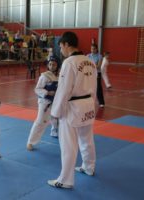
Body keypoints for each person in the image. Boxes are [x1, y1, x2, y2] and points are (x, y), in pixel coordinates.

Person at [48, 32, 97, 189]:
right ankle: (89, 167)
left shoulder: (69, 63)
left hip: (73, 107)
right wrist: (93, 104)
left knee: (68, 144)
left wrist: (55, 112)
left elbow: (63, 89)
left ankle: (66, 180)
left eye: (61, 46)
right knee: (87, 139)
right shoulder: (90, 61)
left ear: (67, 44)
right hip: (88, 103)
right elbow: (95, 87)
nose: (60, 49)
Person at [27, 56, 60, 151]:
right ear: (47, 65)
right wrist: (47, 92)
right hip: (44, 102)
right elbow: (37, 89)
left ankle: (55, 132)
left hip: (55, 101)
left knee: (56, 118)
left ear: (57, 65)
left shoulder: (60, 76)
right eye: (50, 64)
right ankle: (31, 142)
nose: (52, 66)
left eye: (54, 64)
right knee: (40, 121)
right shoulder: (45, 76)